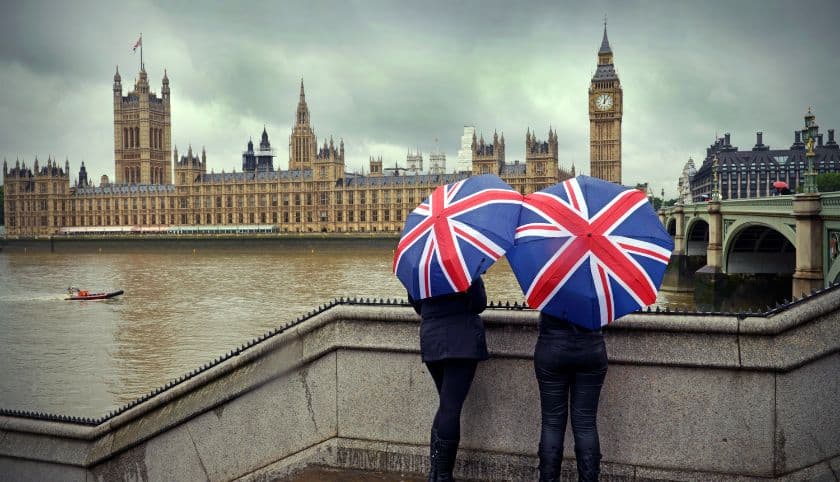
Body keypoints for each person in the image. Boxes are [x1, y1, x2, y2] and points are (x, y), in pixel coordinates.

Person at [408, 276, 488, 482]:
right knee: (450, 408)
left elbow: (417, 305)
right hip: (462, 341)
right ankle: (443, 475)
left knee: (445, 406)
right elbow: (479, 304)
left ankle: (435, 472)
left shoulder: (421, 269)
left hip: (433, 340)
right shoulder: (465, 268)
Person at [533, 311, 608, 482]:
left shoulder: (548, 283)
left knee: (551, 424)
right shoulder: (596, 285)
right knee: (586, 424)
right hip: (591, 348)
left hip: (551, 349)